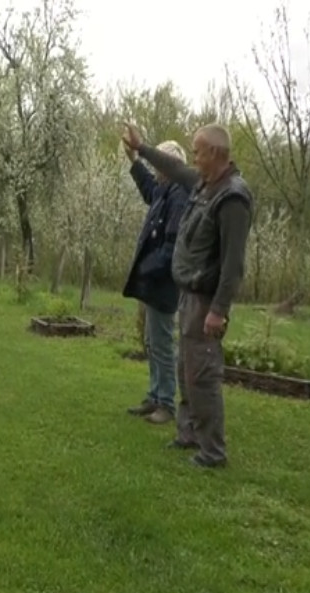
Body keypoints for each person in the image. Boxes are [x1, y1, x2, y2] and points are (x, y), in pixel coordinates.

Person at [121, 122, 253, 468]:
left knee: (203, 376)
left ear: (214, 153)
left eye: (197, 151)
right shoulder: (204, 185)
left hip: (207, 299)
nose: (193, 158)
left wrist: (219, 309)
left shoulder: (232, 197)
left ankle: (212, 452)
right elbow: (173, 169)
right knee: (185, 370)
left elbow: (233, 263)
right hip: (188, 293)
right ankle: (188, 434)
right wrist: (142, 149)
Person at [121, 139, 190, 425]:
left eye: (160, 163)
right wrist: (135, 161)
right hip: (154, 279)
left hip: (163, 281)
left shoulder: (179, 195)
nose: (157, 169)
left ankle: (166, 403)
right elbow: (150, 190)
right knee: (152, 341)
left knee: (161, 343)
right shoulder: (166, 189)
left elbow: (172, 247)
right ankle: (154, 396)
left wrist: (147, 268)